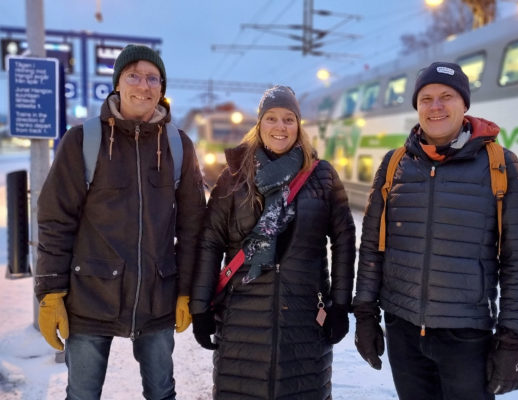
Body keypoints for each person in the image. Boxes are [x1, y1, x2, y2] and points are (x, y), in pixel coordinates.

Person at [353, 61, 518, 399]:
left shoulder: (500, 164)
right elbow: (371, 246)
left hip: (467, 334)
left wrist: (512, 339)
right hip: (403, 330)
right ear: (417, 106)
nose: (435, 106)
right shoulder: (395, 164)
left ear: (464, 104)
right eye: (426, 98)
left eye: (446, 96)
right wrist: (365, 314)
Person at [35, 44, 206, 400]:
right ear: (117, 84)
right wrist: (51, 291)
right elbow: (56, 219)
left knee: (162, 393)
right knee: (82, 395)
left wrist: (186, 289)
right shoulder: (83, 140)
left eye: (152, 78)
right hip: (90, 297)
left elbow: (192, 227)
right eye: (134, 75)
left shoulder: (178, 145)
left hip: (157, 297)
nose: (143, 85)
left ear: (161, 88)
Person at [189, 85, 356, 399]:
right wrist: (200, 308)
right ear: (259, 124)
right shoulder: (234, 176)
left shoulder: (322, 177)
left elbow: (344, 239)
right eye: (272, 119)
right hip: (241, 316)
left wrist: (340, 305)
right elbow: (210, 240)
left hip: (304, 317)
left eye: (289, 119)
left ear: (298, 125)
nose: (281, 127)